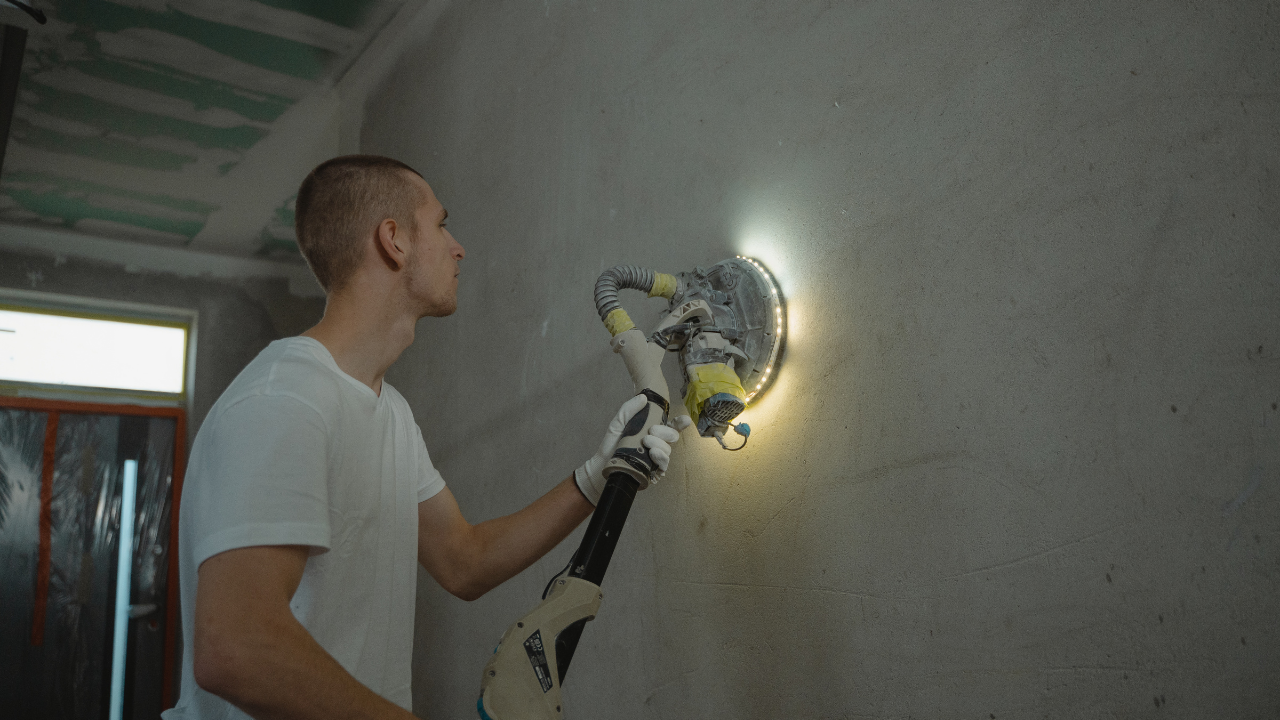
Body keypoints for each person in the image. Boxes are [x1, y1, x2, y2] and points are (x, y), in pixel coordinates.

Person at [162, 155, 689, 720]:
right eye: (440, 224)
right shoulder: (283, 402)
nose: (457, 247)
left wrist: (594, 476)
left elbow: (464, 560)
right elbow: (237, 650)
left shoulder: (388, 412)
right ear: (394, 241)